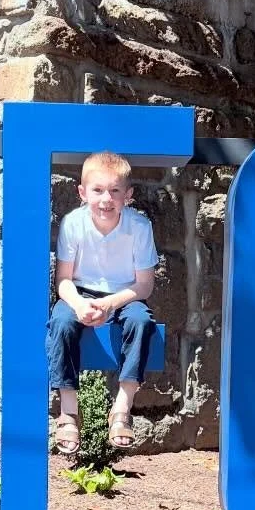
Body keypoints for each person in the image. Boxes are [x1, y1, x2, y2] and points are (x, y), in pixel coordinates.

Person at [46, 151, 158, 454]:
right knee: (61, 321)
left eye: (115, 191)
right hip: (79, 292)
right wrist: (80, 305)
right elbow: (64, 281)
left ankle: (122, 408)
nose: (106, 199)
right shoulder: (73, 224)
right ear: (83, 193)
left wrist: (109, 304)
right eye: (97, 190)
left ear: (128, 195)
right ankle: (68, 412)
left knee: (141, 321)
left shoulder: (139, 227)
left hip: (125, 295)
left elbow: (144, 284)